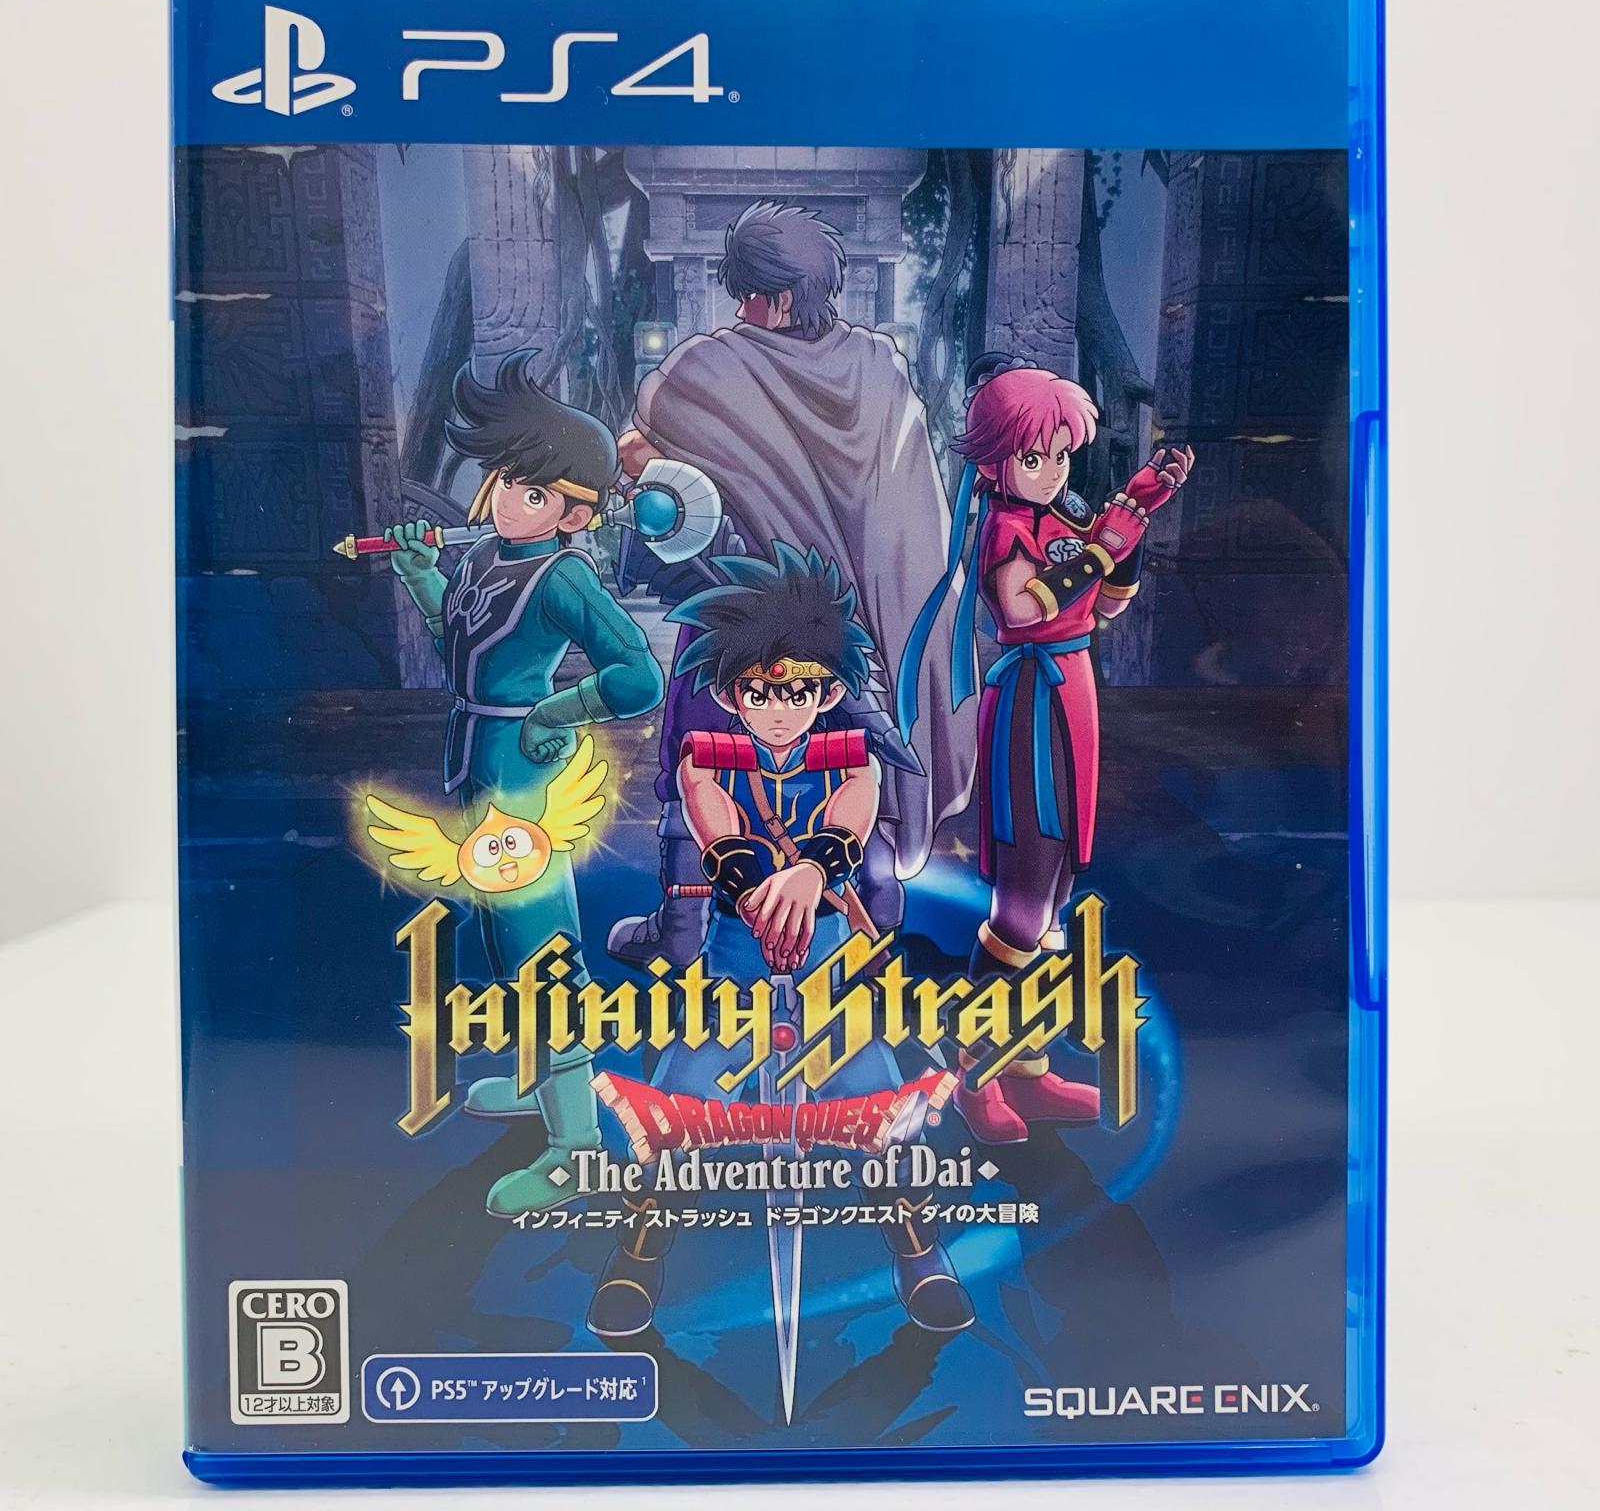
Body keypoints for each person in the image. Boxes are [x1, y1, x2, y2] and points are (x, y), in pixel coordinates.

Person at [587, 543, 974, 1340]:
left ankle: (919, 1257)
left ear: (828, 689)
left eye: (799, 690)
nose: (780, 708)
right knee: (675, 1113)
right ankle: (637, 1260)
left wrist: (813, 869)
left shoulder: (846, 752)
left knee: (881, 1113)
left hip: (830, 966)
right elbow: (707, 807)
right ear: (731, 693)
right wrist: (746, 874)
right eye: (761, 692)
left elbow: (857, 799)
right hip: (734, 966)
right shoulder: (708, 755)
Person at [604, 199, 976, 973]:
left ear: (773, 297)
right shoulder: (879, 369)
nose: (742, 308)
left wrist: (652, 463)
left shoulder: (705, 370)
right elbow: (910, 525)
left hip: (735, 617)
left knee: (699, 762)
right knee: (857, 767)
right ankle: (876, 933)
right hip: (845, 636)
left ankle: (682, 932)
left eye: (747, 293)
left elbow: (639, 447)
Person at [385, 349, 665, 1213]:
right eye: (509, 481)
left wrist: (558, 711)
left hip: (518, 765)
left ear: (577, 511)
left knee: (539, 944)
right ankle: (540, 1078)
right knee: (498, 929)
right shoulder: (484, 557)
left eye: (536, 494)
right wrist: (425, 578)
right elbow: (461, 646)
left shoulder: (564, 573)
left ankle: (574, 1142)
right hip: (473, 752)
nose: (511, 500)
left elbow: (637, 677)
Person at [897, 356, 1193, 1144]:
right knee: (1024, 901)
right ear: (998, 458)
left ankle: (1025, 1069)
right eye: (1036, 456)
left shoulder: (1059, 513)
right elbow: (1025, 610)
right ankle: (975, 1076)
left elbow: (1107, 606)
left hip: (1072, 694)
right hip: (1033, 701)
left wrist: (1131, 523)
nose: (1053, 469)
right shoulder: (1005, 525)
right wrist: (1103, 547)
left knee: (1053, 896)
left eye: (1061, 454)